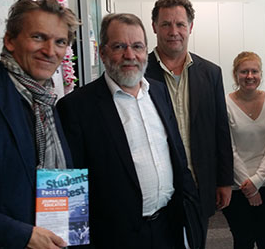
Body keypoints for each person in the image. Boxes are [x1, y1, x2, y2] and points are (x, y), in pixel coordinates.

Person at [57, 13, 204, 248]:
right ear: (103, 53)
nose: (130, 55)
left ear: (146, 51)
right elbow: (73, 192)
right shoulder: (76, 107)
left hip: (170, 227)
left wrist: (191, 214)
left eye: (137, 46)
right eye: (119, 46)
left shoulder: (158, 92)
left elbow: (177, 157)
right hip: (116, 237)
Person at [0, 0, 78, 248]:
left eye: (59, 42)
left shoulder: (46, 101)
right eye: (38, 37)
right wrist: (23, 235)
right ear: (10, 40)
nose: (50, 51)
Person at [145, 0, 233, 224]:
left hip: (198, 185)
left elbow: (220, 130)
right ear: (154, 27)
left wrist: (224, 180)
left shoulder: (211, 73)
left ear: (190, 27)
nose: (173, 31)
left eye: (180, 24)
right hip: (155, 188)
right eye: (165, 24)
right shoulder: (138, 73)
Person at [222, 51, 265, 249]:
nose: (250, 76)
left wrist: (257, 181)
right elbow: (228, 148)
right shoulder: (224, 103)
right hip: (237, 186)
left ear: (261, 74)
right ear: (235, 75)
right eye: (244, 72)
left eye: (254, 71)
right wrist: (249, 188)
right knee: (243, 241)